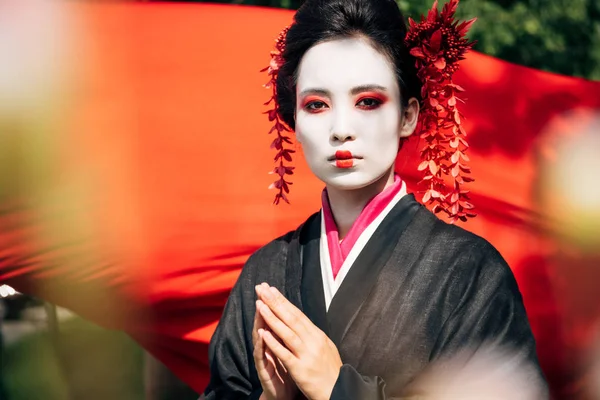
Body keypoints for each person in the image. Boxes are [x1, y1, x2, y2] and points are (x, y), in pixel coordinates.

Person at [200, 0, 548, 399]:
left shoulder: (470, 274)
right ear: (293, 122)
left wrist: (339, 388)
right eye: (317, 105)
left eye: (367, 101)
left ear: (408, 115)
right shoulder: (265, 274)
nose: (341, 129)